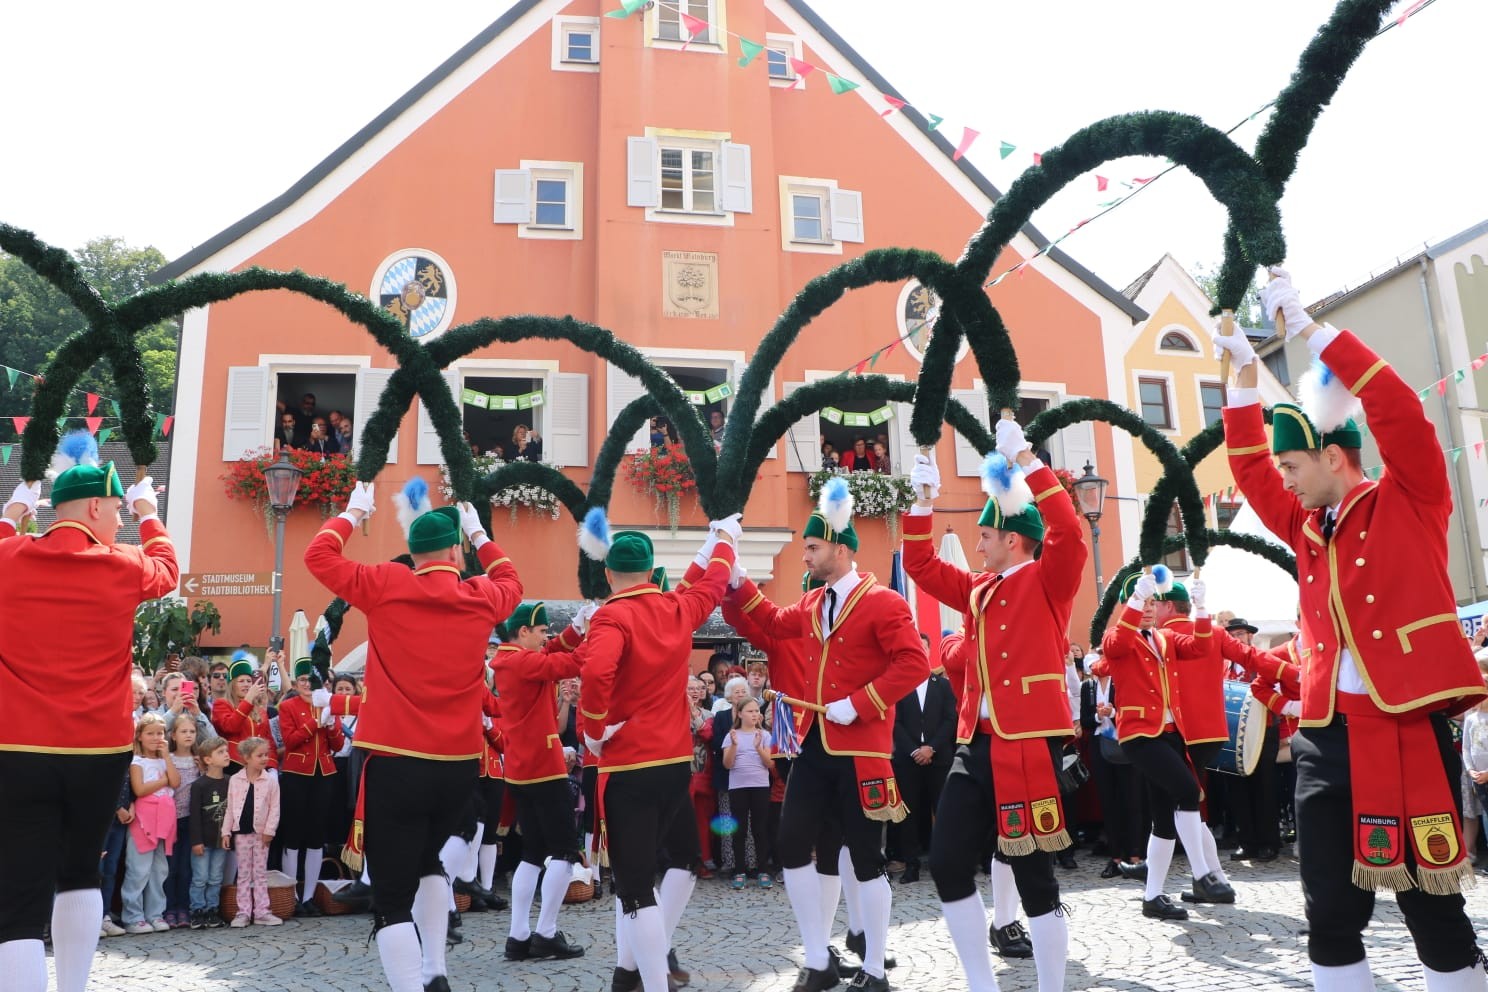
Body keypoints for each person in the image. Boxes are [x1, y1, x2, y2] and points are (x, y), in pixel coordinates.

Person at [1214, 266, 1488, 989]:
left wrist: (1312, 332)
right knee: (1329, 916)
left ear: (1335, 457)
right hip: (1324, 736)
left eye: (1293, 465)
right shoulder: (1306, 525)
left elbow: (1397, 407)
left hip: (1404, 728)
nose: (1284, 479)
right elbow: (1250, 474)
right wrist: (1242, 381)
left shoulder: (1411, 497)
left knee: (1434, 910)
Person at [305, 477, 522, 992]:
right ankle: (435, 973)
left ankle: (417, 982)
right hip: (457, 765)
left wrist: (354, 513)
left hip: (396, 760)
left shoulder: (388, 582)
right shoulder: (480, 595)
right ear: (454, 552)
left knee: (391, 899)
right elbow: (511, 579)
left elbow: (319, 556)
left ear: (414, 553)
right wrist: (480, 534)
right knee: (429, 866)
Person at [904, 418, 1085, 992]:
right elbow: (919, 565)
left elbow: (1069, 531)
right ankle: (981, 983)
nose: (977, 545)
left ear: (1012, 539)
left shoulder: (1049, 579)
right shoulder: (978, 589)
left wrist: (1028, 460)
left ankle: (1051, 986)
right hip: (973, 743)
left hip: (1027, 743)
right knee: (947, 862)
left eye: (985, 535)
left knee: (1035, 880)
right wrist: (921, 502)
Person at [725, 479, 926, 992]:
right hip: (814, 745)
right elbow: (771, 621)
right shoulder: (813, 603)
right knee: (792, 844)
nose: (805, 556)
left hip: (861, 749)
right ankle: (818, 959)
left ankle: (875, 968)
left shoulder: (883, 601)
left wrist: (859, 703)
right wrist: (738, 578)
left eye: (812, 547)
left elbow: (914, 663)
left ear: (840, 548)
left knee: (866, 859)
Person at [0, 434, 177, 992]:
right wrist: (149, 512)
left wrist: (13, 511)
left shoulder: (10, 557)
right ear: (96, 506)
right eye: (118, 508)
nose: (120, 519)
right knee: (80, 872)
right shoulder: (123, 564)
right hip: (98, 749)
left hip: (19, 746)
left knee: (20, 893)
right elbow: (168, 567)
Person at [572, 508, 737, 992]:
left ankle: (649, 976)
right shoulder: (676, 607)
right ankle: (630, 969)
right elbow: (713, 581)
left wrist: (594, 730)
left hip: (629, 765)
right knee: (685, 860)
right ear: (650, 571)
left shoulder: (611, 615)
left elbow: (595, 673)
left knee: (635, 889)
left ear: (609, 574)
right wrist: (724, 539)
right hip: (674, 763)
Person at [1098, 573, 1234, 921]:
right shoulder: (1118, 636)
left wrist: (1201, 609)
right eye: (1140, 602)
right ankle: (1203, 873)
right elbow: (1114, 647)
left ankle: (1153, 897)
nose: (1146, 608)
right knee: (1188, 791)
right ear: (1128, 605)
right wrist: (1134, 601)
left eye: (1150, 602)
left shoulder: (1164, 637)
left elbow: (1201, 648)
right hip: (1140, 734)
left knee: (1163, 819)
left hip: (1172, 733)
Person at [490, 601, 587, 962]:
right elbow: (568, 663)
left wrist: (577, 629)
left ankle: (518, 936)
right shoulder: (523, 662)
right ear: (524, 631)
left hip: (522, 767)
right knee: (564, 849)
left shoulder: (511, 659)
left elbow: (553, 651)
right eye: (542, 631)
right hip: (543, 766)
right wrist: (599, 634)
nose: (546, 636)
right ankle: (546, 932)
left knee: (532, 853)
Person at [1149, 581, 1235, 901]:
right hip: (1212, 731)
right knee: (1185, 807)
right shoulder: (1212, 631)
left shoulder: (1161, 637)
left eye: (1156, 604)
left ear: (1169, 605)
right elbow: (1248, 656)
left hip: (1180, 733)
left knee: (1183, 808)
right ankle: (1209, 878)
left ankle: (1212, 878)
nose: (1153, 610)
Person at [277, 658, 345, 916]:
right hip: (297, 773)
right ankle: (291, 895)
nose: (307, 685)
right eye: (303, 680)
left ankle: (309, 895)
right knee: (293, 834)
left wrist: (332, 725)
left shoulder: (327, 704)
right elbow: (290, 740)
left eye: (312, 680)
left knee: (317, 835)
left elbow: (338, 745)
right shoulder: (288, 706)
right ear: (296, 683)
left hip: (323, 774)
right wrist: (316, 723)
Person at [888, 663, 956, 886]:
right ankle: (911, 865)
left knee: (944, 812)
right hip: (908, 760)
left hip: (939, 759)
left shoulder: (943, 686)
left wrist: (931, 748)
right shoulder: (899, 685)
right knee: (909, 814)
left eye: (923, 648)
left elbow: (950, 720)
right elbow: (894, 722)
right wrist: (914, 750)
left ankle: (945, 864)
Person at [1080, 655, 1147, 877]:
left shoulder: (1122, 680)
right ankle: (1115, 857)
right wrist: (1098, 716)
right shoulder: (1088, 687)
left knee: (1132, 801)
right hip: (1100, 746)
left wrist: (1114, 713)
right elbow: (1085, 720)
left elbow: (1135, 712)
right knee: (1108, 803)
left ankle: (1135, 855)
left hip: (1126, 745)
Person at [121, 713, 181, 934]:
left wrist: (166, 758)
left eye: (160, 733)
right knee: (138, 870)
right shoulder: (137, 762)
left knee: (159, 870)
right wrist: (164, 780)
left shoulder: (165, 759)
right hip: (143, 820)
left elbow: (176, 781)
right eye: (150, 733)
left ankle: (155, 914)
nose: (156, 738)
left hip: (164, 819)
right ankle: (133, 916)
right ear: (140, 736)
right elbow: (140, 789)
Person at [222, 737, 281, 927]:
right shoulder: (235, 780)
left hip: (261, 834)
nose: (264, 758)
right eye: (259, 755)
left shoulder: (270, 781)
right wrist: (226, 832)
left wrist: (270, 831)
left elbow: (275, 808)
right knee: (244, 874)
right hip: (242, 834)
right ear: (247, 757)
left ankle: (262, 911)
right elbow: (230, 808)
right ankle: (243, 913)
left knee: (260, 873)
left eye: (266, 755)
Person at [723, 697, 775, 890]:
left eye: (756, 711)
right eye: (750, 711)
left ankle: (763, 871)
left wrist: (758, 748)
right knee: (740, 830)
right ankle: (739, 871)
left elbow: (770, 764)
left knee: (760, 829)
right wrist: (734, 745)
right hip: (738, 787)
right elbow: (727, 764)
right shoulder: (731, 735)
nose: (755, 714)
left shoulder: (765, 735)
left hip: (760, 786)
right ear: (740, 714)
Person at [188, 737, 232, 929]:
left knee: (216, 877)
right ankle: (197, 911)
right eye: (220, 752)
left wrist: (228, 835)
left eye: (226, 751)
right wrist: (196, 841)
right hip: (203, 841)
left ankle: (212, 910)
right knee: (200, 878)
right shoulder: (199, 785)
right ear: (208, 759)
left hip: (221, 840)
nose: (226, 755)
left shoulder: (230, 782)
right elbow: (194, 816)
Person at [165, 713, 201, 928]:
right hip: (170, 820)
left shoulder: (198, 760)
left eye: (192, 731)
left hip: (191, 820)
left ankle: (183, 908)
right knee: (170, 868)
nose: (188, 735)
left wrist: (203, 768)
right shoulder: (168, 758)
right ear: (173, 735)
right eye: (184, 731)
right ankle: (169, 908)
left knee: (186, 867)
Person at [214, 652, 278, 772]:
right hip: (235, 765)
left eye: (249, 681)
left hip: (259, 766)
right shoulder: (221, 704)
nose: (246, 685)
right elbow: (230, 727)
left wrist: (272, 767)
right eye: (241, 681)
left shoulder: (259, 709)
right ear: (232, 685)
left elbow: (269, 741)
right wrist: (248, 700)